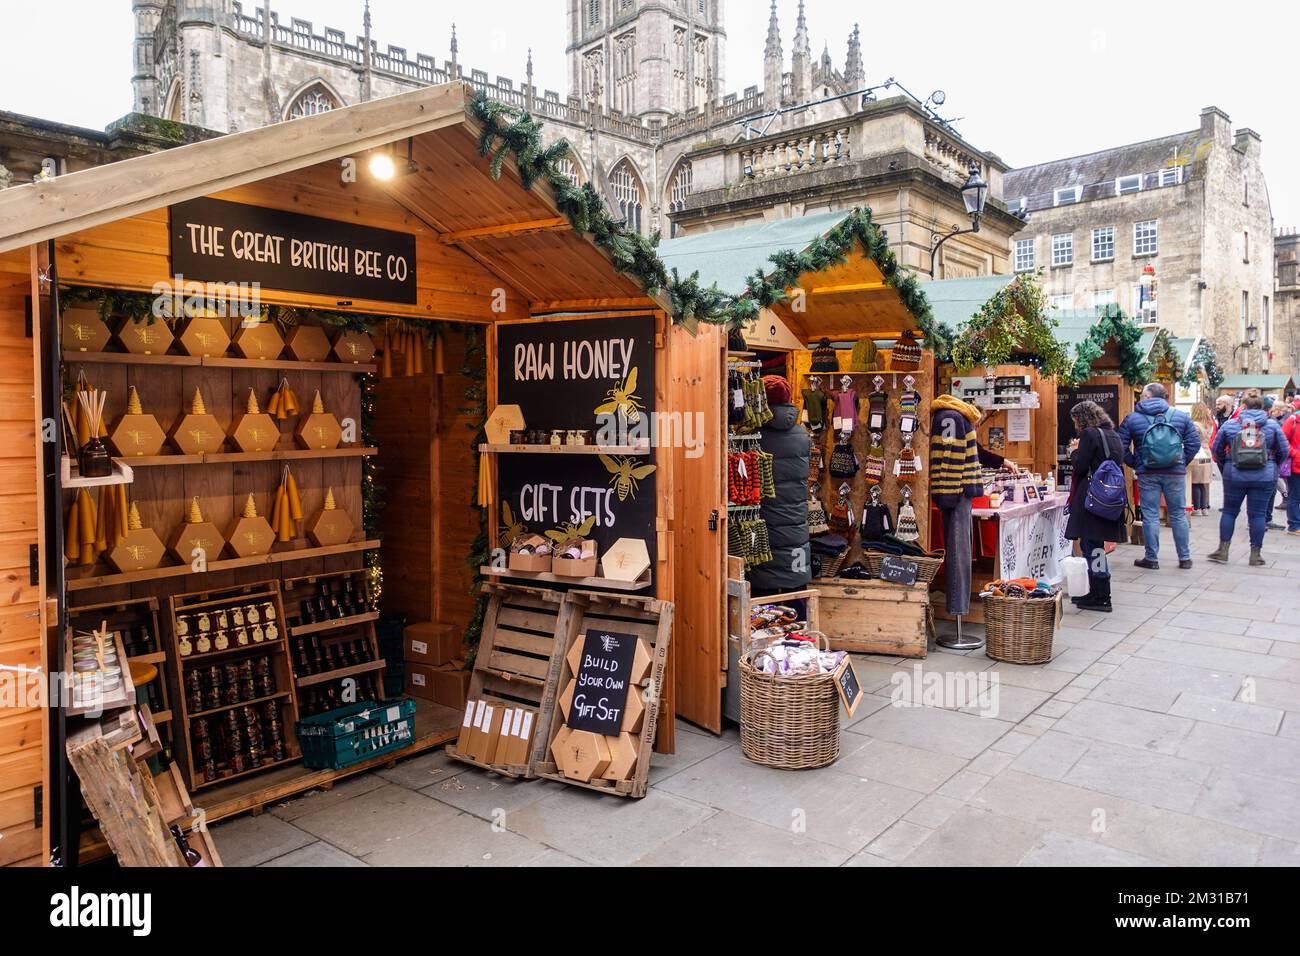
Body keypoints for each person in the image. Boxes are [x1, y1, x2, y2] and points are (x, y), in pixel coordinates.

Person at [1116, 382, 1200, 569]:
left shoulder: (1133, 418)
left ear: (1147, 397)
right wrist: (1180, 461)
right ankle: (1185, 558)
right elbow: (1194, 443)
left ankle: (1152, 558)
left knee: (1151, 515)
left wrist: (1136, 463)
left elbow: (1120, 447)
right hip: (1175, 473)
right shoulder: (1180, 416)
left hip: (1148, 473)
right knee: (1178, 514)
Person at [747, 375, 812, 596]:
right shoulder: (802, 435)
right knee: (796, 598)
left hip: (765, 522)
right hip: (795, 525)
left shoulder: (753, 437)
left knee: (764, 605)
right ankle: (800, 627)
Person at [1209, 389, 1289, 566]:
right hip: (1264, 475)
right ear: (1263, 407)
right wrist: (1273, 465)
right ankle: (1255, 554)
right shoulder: (1272, 425)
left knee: (1229, 511)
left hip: (1234, 473)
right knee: (1258, 514)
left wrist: (1226, 467)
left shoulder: (1230, 425)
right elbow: (1284, 450)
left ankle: (1223, 550)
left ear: (1242, 406)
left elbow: (1216, 450)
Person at [1064, 401, 1126, 612]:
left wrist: (1073, 451)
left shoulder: (1090, 435)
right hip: (1109, 498)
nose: (1074, 426)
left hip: (1092, 499)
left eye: (1075, 421)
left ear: (1082, 418)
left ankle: (1101, 595)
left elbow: (1081, 467)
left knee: (1092, 546)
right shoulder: (1113, 435)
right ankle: (1098, 592)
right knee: (1096, 546)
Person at [1189, 403, 1215, 516]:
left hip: (1198, 454)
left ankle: (1197, 508)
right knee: (1203, 482)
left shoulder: (1195, 425)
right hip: (1207, 454)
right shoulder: (1209, 424)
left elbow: (1193, 440)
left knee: (1195, 482)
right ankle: (1204, 508)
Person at [1281, 400, 1300, 535]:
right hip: (1296, 465)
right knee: (1295, 496)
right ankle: (1294, 525)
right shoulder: (1293, 420)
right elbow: (1283, 441)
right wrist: (1295, 454)